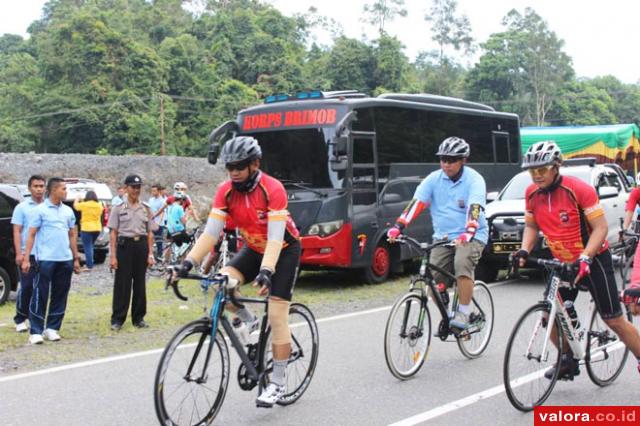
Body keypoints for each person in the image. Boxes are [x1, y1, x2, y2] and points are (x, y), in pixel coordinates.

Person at [176, 136, 300, 407]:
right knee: (223, 282)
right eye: (229, 167)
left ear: (255, 164)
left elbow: (277, 239)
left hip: (283, 249)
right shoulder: (226, 191)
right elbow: (210, 234)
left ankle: (277, 384)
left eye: (239, 166)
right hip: (254, 248)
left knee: (278, 316)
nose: (233, 172)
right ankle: (250, 320)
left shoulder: (272, 188)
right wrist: (187, 262)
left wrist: (267, 271)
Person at [512, 140, 640, 378]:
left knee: (613, 320)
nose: (536, 176)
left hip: (593, 259)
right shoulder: (531, 193)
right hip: (560, 261)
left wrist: (585, 256)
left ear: (556, 167)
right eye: (532, 171)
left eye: (542, 170)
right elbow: (531, 226)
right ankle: (567, 359)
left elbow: (600, 228)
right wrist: (524, 250)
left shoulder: (578, 189)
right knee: (549, 316)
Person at [387, 136, 488, 331]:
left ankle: (465, 313)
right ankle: (446, 307)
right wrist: (399, 225)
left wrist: (469, 231)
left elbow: (475, 207)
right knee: (432, 277)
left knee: (461, 265)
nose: (446, 164)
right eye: (443, 159)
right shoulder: (433, 179)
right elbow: (417, 203)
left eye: (451, 160)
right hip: (443, 236)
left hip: (471, 235)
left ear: (463, 160)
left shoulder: (474, 180)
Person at [22, 177, 80, 344]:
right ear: (54, 190)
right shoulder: (40, 210)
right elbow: (31, 234)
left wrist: (76, 257)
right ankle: (36, 330)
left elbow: (71, 234)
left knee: (60, 293)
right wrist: (27, 258)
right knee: (40, 293)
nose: (66, 192)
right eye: (63, 189)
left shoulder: (68, 211)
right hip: (46, 258)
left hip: (65, 259)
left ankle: (52, 328)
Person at [108, 175, 155, 331]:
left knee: (140, 283)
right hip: (124, 247)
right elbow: (113, 233)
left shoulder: (146, 208)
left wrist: (150, 254)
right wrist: (113, 256)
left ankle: (138, 317)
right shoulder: (118, 208)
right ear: (126, 188)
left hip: (140, 246)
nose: (136, 190)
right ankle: (117, 319)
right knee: (122, 284)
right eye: (133, 187)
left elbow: (150, 233)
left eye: (138, 187)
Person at [11, 175, 46, 333]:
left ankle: (35, 318)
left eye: (41, 186)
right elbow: (17, 231)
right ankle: (20, 317)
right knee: (26, 287)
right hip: (27, 253)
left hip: (45, 254)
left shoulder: (48, 207)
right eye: (36, 186)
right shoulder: (22, 207)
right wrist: (19, 253)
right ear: (30, 188)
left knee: (41, 288)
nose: (39, 189)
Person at [73, 190, 104, 271]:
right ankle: (90, 262)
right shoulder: (99, 205)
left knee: (87, 247)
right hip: (97, 228)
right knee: (91, 246)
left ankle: (89, 265)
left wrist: (77, 198)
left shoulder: (84, 205)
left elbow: (75, 206)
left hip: (87, 228)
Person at [148, 184, 167, 260]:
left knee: (159, 241)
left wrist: (158, 223)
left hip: (158, 223)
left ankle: (159, 257)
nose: (153, 192)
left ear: (159, 191)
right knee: (149, 240)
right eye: (152, 191)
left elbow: (162, 213)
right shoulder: (151, 200)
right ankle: (150, 255)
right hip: (150, 223)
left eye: (154, 191)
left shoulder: (162, 201)